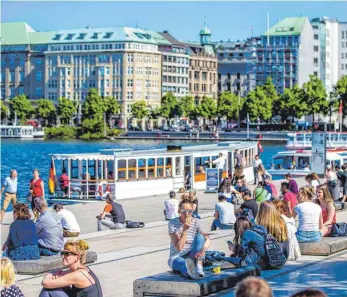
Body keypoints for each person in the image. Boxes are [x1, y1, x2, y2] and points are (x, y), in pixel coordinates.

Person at [168, 199, 210, 279]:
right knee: (183, 264)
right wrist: (185, 230)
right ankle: (191, 272)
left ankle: (199, 263)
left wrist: (203, 250)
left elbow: (207, 239)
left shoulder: (196, 221)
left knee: (200, 237)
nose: (187, 214)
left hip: (192, 254)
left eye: (189, 211)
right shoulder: (172, 223)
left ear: (192, 211)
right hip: (177, 256)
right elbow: (179, 248)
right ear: (179, 211)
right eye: (183, 211)